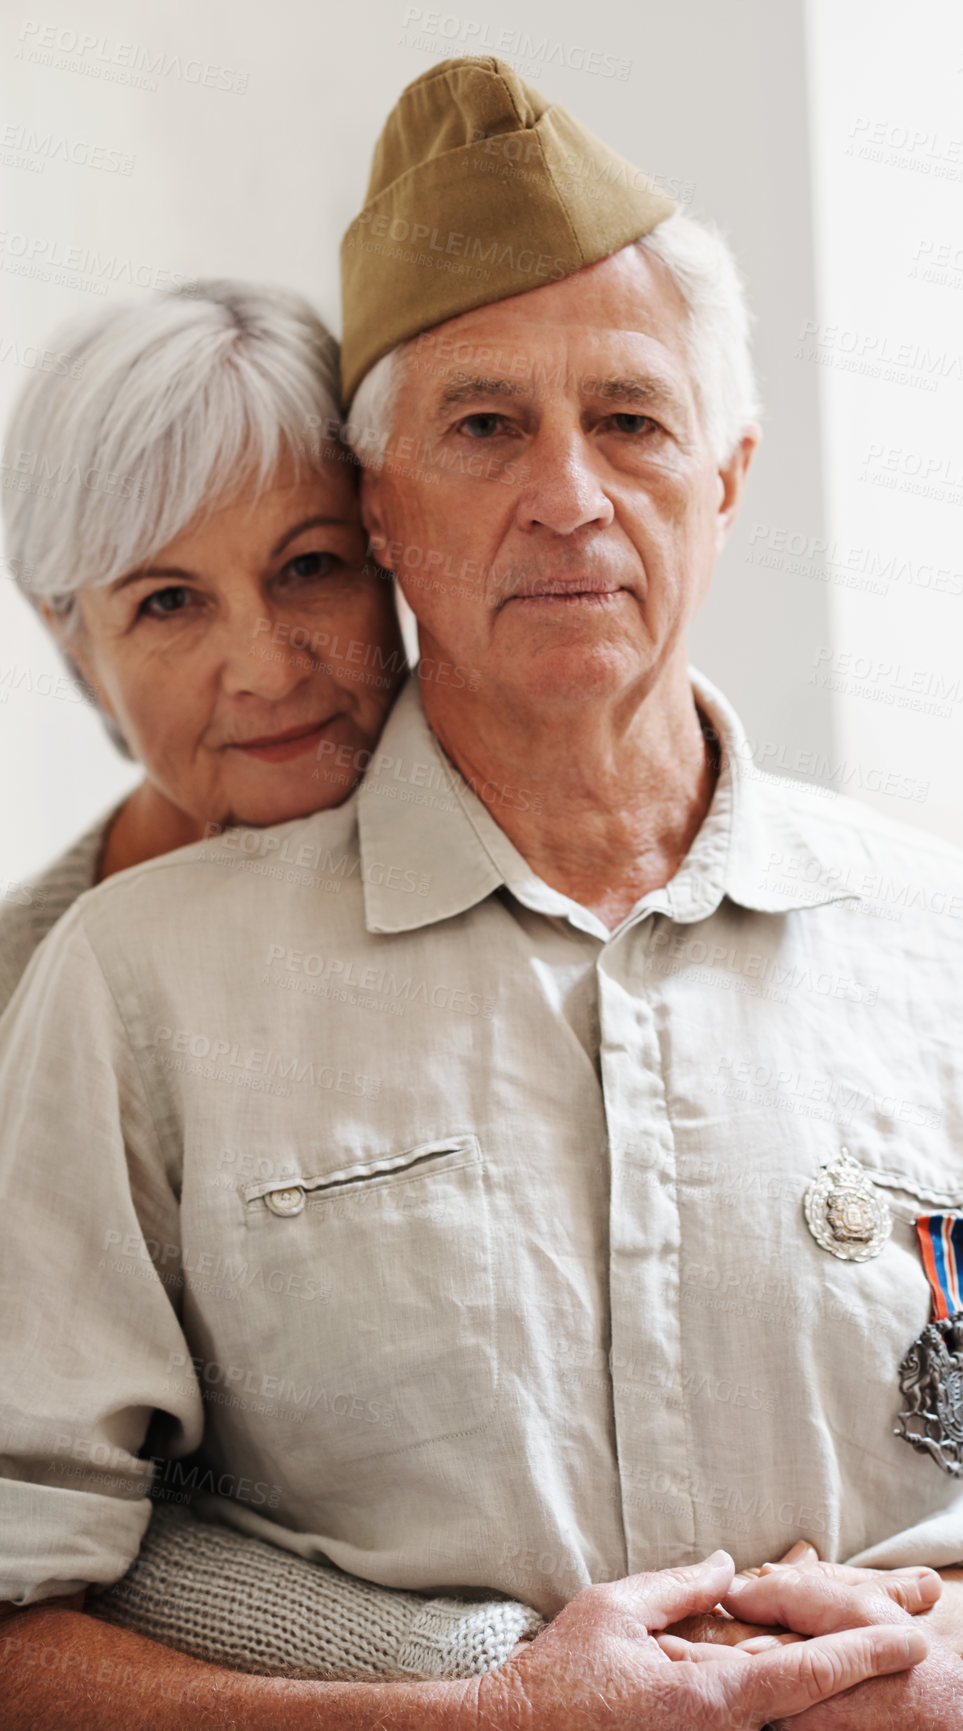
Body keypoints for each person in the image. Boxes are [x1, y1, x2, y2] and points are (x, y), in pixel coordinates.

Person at [1, 58, 963, 1730]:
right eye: (484, 427)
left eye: (630, 419)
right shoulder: (129, 990)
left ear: (729, 471)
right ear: (384, 508)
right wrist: (491, 1717)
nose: (569, 495)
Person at [0, 279, 552, 1680]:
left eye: (309, 567)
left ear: (392, 557)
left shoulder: (554, 902)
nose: (267, 668)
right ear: (74, 640)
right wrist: (457, 1665)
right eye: (169, 601)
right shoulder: (34, 991)